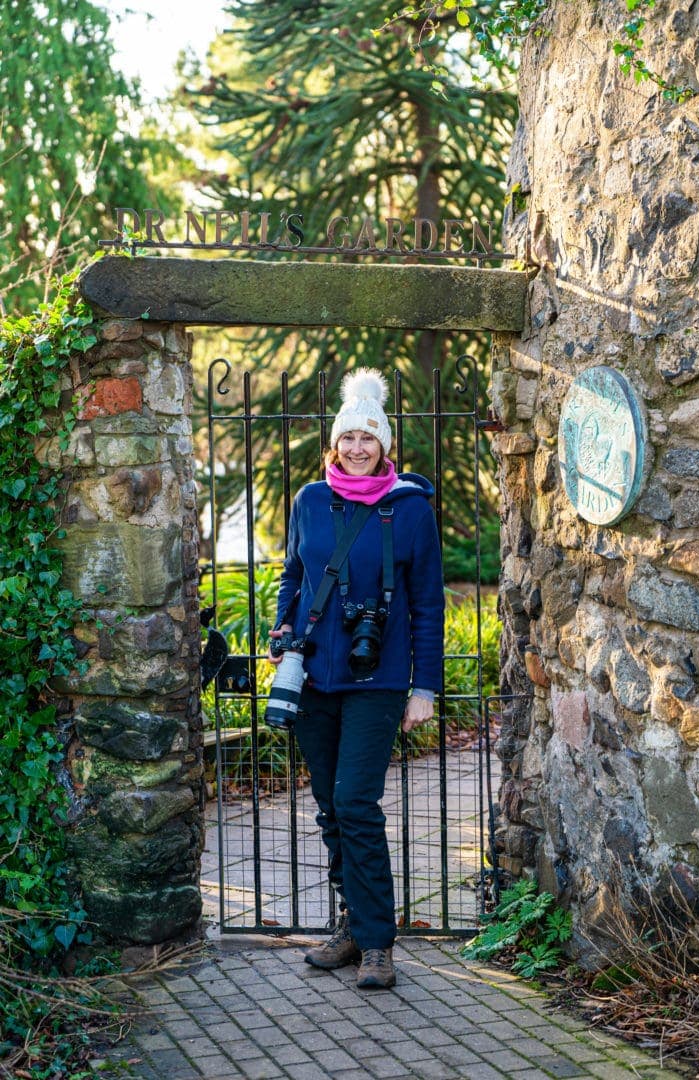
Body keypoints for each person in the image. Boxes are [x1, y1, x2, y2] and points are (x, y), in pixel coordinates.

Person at [268, 368, 444, 989]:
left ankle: (377, 943)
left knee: (355, 802)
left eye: (368, 439)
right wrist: (280, 631)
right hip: (314, 675)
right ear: (334, 444)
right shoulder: (311, 501)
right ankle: (350, 926)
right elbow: (292, 575)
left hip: (380, 681)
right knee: (328, 809)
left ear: (385, 447)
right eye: (348, 439)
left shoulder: (412, 510)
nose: (357, 448)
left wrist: (425, 688)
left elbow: (428, 605)